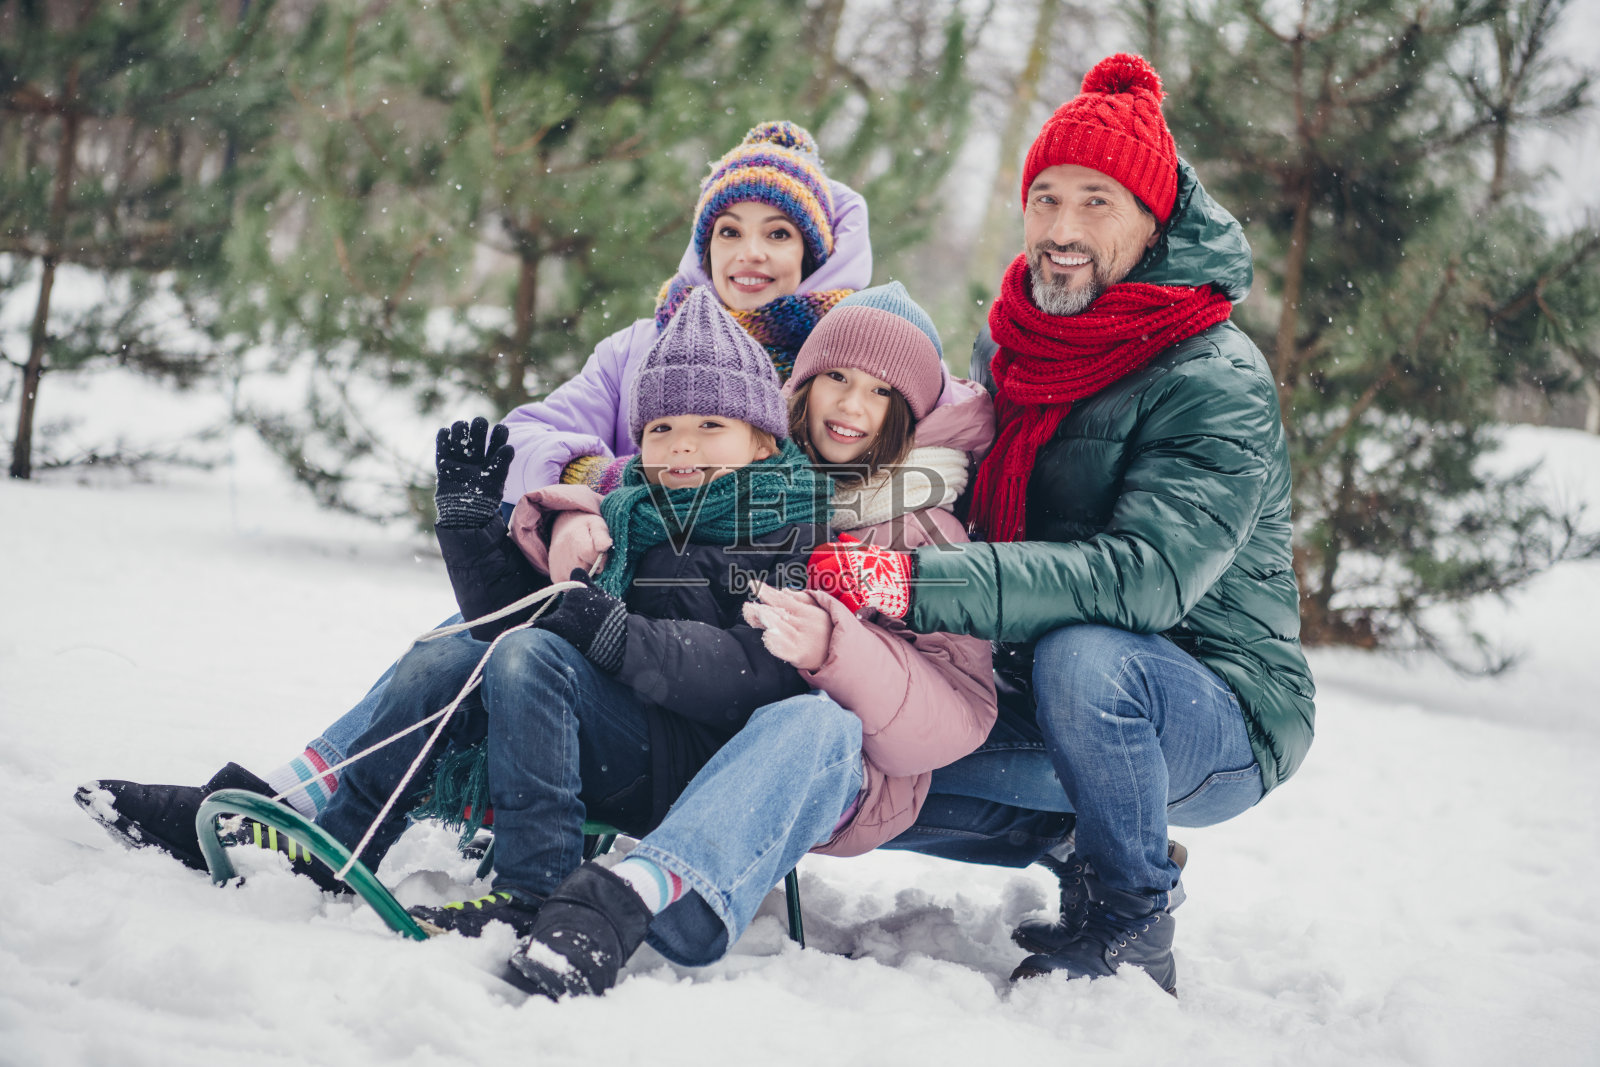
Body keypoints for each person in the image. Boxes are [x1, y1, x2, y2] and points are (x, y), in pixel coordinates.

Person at [76, 121, 875, 863]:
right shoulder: (645, 344)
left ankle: (367, 828)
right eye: (727, 230)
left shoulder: (842, 361)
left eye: (778, 233)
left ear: (814, 250)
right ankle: (293, 807)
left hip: (720, 661)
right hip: (605, 601)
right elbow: (530, 431)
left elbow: (921, 440)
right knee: (465, 636)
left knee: (494, 636)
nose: (750, 253)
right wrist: (587, 496)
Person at [805, 53, 1316, 997]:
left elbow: (1142, 581)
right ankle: (1079, 836)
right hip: (1035, 673)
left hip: (1213, 704)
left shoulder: (1216, 376)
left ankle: (1131, 917)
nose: (1062, 230)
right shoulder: (1019, 336)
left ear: (1152, 220)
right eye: (1045, 199)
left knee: (1092, 652)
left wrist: (915, 586)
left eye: (1096, 202)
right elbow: (954, 482)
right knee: (866, 747)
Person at [444, 283, 999, 998]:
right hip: (673, 717)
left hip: (825, 762)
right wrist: (563, 521)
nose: (851, 406)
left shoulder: (928, 531)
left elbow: (954, 714)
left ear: (911, 413)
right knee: (501, 647)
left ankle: (631, 899)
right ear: (800, 385)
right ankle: (342, 797)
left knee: (816, 719)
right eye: (835, 376)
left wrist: (836, 648)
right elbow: (640, 493)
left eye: (881, 391)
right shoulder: (745, 466)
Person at [266, 286, 835, 927]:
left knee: (534, 655)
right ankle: (347, 836)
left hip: (694, 769)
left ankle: (536, 888)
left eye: (710, 426)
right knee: (453, 656)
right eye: (662, 428)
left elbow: (757, 673)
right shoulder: (627, 513)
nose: (683, 445)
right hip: (599, 738)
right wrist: (470, 533)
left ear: (761, 441)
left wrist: (616, 634)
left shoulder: (789, 527)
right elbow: (516, 619)